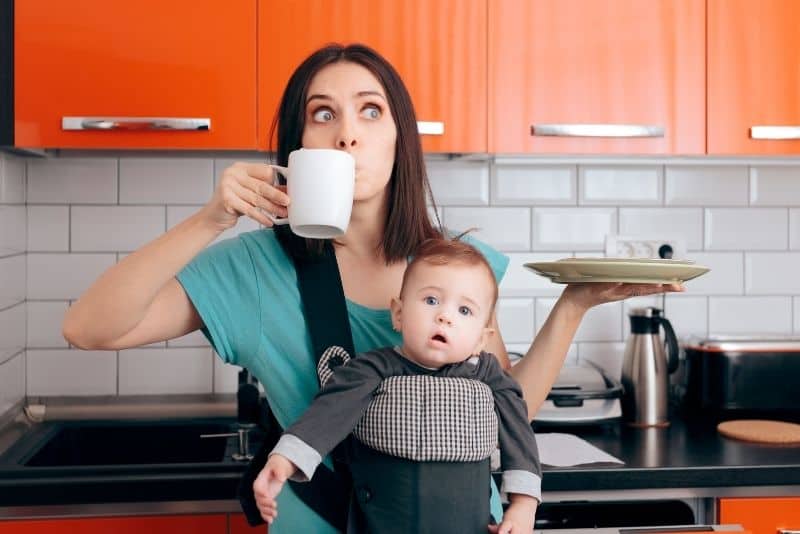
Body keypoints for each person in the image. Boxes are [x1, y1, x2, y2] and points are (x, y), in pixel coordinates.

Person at [61, 43, 684, 533]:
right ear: (299, 145)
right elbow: (88, 329)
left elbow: (504, 406)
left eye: (370, 109)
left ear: (398, 136)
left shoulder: (458, 267)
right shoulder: (249, 268)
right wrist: (209, 219)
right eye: (322, 113)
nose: (347, 133)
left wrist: (572, 306)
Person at [257, 237, 541, 534]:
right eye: (431, 300)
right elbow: (328, 413)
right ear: (399, 314)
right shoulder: (372, 369)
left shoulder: (490, 376)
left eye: (464, 311)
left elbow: (518, 435)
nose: (444, 316)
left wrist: (524, 505)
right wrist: (285, 459)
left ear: (482, 339)